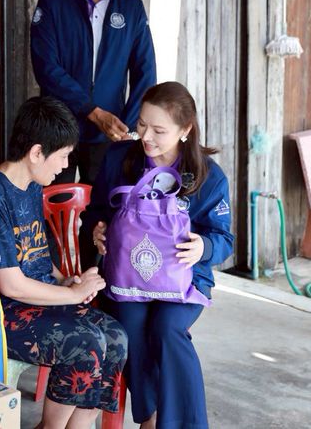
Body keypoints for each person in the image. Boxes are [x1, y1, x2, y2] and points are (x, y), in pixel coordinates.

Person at [0, 96, 127, 429]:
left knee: (115, 337)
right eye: (63, 155)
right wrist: (70, 295)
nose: (64, 164)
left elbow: (37, 254)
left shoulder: (30, 184)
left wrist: (67, 281)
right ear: (37, 152)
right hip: (5, 311)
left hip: (38, 300)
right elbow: (11, 285)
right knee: (85, 342)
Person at [80, 82, 234, 429]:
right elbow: (96, 211)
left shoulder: (208, 177)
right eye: (141, 125)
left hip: (184, 280)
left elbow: (224, 239)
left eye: (159, 130)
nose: (146, 137)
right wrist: (97, 230)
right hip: (127, 277)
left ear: (185, 130)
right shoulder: (120, 159)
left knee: (167, 328)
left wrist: (204, 247)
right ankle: (149, 417)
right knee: (130, 326)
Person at [30, 0, 156, 185]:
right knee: (57, 200)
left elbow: (145, 72)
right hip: (58, 128)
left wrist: (128, 126)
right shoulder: (52, 4)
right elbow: (46, 69)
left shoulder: (131, 8)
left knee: (105, 204)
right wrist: (93, 112)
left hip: (110, 134)